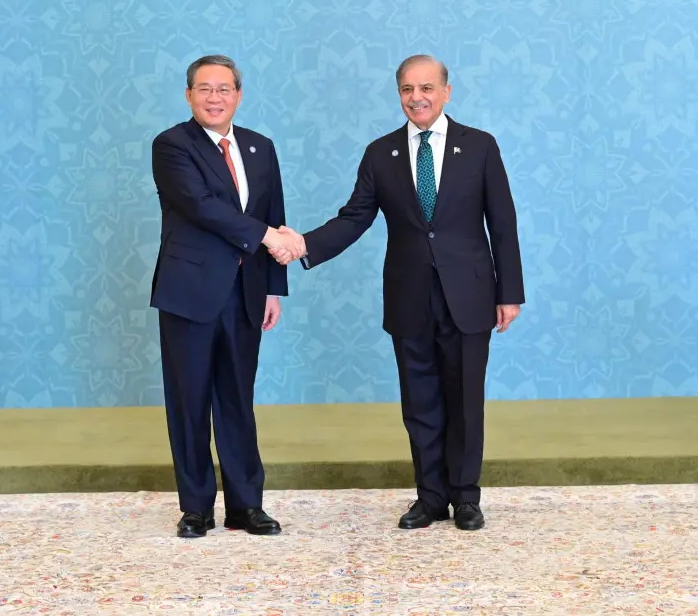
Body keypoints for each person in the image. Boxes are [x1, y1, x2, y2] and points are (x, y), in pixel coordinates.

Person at [272, 55, 524, 531]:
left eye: (427, 88)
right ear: (399, 95)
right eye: (407, 89)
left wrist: (509, 291)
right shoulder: (380, 153)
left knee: (466, 402)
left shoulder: (480, 147)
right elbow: (354, 218)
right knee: (420, 404)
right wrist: (303, 244)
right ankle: (430, 498)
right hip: (410, 298)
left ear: (447, 92)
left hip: (469, 296)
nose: (417, 97)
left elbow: (503, 222)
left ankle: (466, 498)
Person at [150, 54, 296, 538]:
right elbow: (201, 206)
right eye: (205, 89)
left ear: (239, 94)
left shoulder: (261, 147)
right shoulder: (172, 145)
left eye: (225, 89)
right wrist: (270, 237)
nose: (215, 98)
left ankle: (246, 505)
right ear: (189, 94)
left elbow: (274, 210)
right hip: (189, 293)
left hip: (247, 293)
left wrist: (275, 286)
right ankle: (196, 508)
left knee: (237, 400)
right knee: (189, 400)